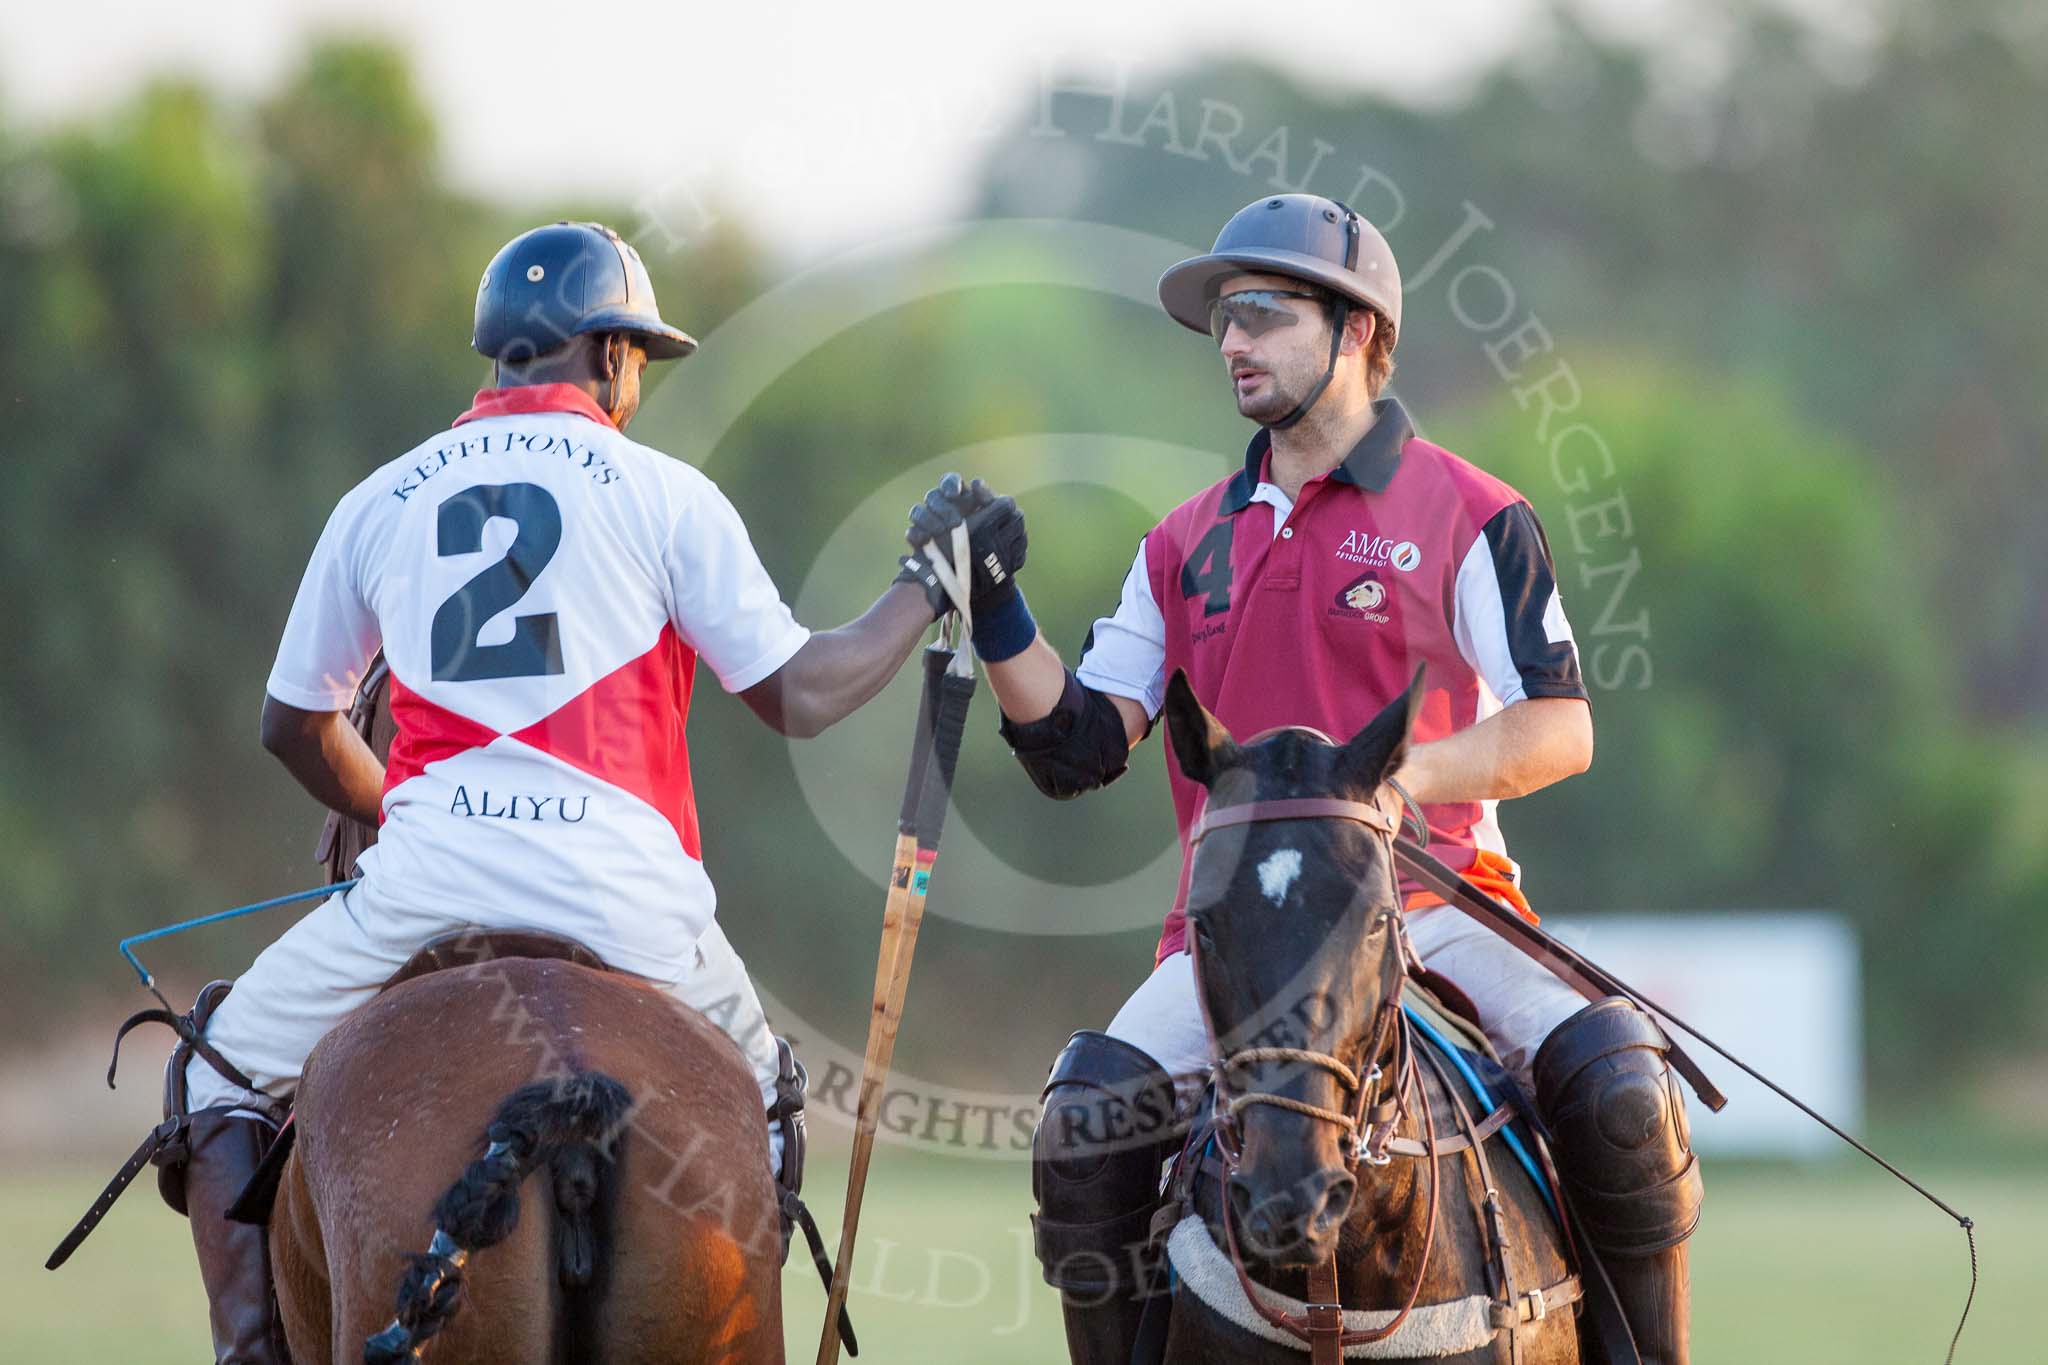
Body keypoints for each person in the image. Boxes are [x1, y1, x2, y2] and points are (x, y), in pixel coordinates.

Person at [159, 220, 1020, 1364]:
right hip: (638, 907)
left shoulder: (381, 498)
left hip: (424, 889)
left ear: (500, 355)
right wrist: (928, 582)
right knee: (763, 1109)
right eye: (637, 364)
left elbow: (292, 723)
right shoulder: (665, 493)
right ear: (611, 356)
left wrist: (397, 809)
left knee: (211, 1070)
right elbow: (802, 694)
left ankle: (253, 1351)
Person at [908, 195, 1702, 1365]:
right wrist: (993, 609)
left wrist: (1397, 780)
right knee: (1083, 1124)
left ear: (1360, 333)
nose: (1232, 343)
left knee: (1621, 1084)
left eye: (1264, 317)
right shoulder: (1182, 542)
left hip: (1432, 908)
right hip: (1232, 942)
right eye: (1224, 322)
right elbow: (1077, 745)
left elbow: (1559, 726)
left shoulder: (1469, 512)